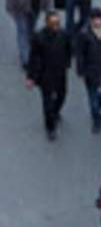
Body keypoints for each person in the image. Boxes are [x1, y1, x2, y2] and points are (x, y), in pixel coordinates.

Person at [27, 11, 72, 141]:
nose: (56, 26)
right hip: (45, 75)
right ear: (47, 23)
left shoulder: (63, 35)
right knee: (47, 103)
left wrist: (67, 63)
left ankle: (55, 111)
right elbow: (33, 57)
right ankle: (50, 127)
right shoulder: (39, 37)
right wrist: (31, 77)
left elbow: (69, 49)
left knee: (62, 95)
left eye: (58, 23)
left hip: (60, 72)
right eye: (53, 23)